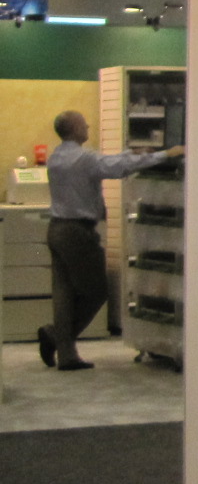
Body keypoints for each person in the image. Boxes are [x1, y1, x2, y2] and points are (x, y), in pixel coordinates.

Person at [38, 111, 182, 372]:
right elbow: (116, 167)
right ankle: (55, 337)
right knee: (96, 291)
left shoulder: (57, 157)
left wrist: (133, 152)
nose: (88, 125)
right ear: (73, 129)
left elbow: (107, 161)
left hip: (56, 228)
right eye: (84, 123)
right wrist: (164, 154)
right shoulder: (83, 158)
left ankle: (67, 354)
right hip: (78, 233)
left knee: (64, 293)